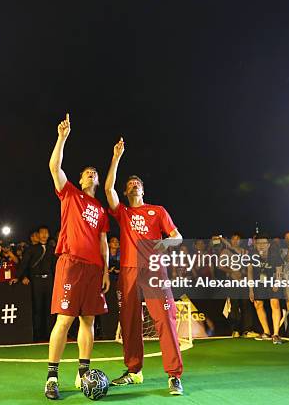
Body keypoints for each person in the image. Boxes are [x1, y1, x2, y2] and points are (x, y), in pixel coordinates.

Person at [105, 137, 184, 395]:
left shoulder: (157, 210)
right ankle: (133, 371)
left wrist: (167, 244)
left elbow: (177, 237)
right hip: (128, 271)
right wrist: (116, 157)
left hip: (153, 271)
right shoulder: (124, 214)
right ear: (127, 192)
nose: (134, 185)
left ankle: (174, 375)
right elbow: (108, 190)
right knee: (129, 323)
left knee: (164, 319)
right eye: (129, 184)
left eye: (137, 182)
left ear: (143, 189)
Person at [41, 113, 110, 400]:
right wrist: (62, 138)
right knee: (65, 320)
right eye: (87, 172)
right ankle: (52, 377)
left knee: (88, 322)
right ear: (80, 179)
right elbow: (54, 166)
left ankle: (83, 373)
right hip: (70, 263)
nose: (92, 174)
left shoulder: (102, 210)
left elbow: (104, 241)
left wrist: (106, 269)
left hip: (94, 269)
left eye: (95, 172)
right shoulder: (69, 193)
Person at [13, 226, 57, 341]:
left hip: (49, 281)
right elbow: (24, 264)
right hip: (36, 281)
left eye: (46, 233)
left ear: (48, 235)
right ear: (38, 235)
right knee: (37, 308)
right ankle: (37, 336)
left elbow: (55, 266)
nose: (44, 235)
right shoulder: (31, 249)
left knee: (50, 309)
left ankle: (50, 335)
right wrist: (20, 277)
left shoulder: (52, 249)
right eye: (41, 233)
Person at [247, 234, 284, 345]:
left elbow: (279, 270)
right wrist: (251, 289)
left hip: (272, 281)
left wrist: (277, 282)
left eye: (264, 243)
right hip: (259, 283)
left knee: (275, 304)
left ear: (268, 245)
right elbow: (249, 272)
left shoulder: (275, 254)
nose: (261, 245)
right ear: (256, 244)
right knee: (258, 304)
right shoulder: (252, 255)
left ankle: (276, 334)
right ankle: (266, 332)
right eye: (259, 243)